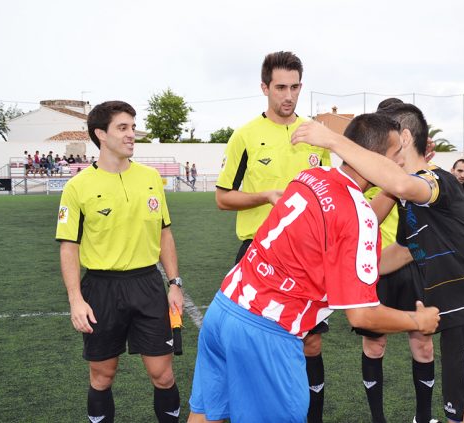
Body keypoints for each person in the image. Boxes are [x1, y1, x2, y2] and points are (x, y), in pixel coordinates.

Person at [188, 113, 440, 423]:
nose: (400, 162)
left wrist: (399, 221)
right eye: (395, 155)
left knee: (205, 415)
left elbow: (352, 235)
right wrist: (418, 319)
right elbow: (362, 314)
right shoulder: (355, 213)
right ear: (371, 157)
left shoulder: (311, 176)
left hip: (224, 308)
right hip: (267, 333)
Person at [292, 102, 464, 423]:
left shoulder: (436, 180)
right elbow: (402, 250)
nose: (378, 152)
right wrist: (342, 274)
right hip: (457, 320)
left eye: (385, 142)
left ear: (403, 138)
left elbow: (403, 184)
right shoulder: (407, 201)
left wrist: (334, 141)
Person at [213, 51, 331, 422]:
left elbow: (327, 192)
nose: (289, 96)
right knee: (251, 346)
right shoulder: (245, 136)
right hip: (258, 255)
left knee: (311, 342)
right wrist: (265, 196)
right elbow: (222, 197)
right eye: (281, 87)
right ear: (264, 87)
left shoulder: (315, 134)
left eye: (295, 87)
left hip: (307, 257)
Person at [56, 101, 184, 423]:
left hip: (148, 285)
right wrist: (75, 299)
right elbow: (69, 247)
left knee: (163, 375)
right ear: (101, 134)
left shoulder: (151, 178)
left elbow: (165, 234)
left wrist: (174, 283)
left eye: (132, 127)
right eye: (123, 128)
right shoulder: (77, 187)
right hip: (101, 288)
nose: (132, 134)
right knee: (102, 376)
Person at [354, 100, 440, 423]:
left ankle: (423, 417)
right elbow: (367, 218)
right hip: (375, 264)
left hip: (412, 261)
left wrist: (416, 168)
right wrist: (395, 177)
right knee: (374, 347)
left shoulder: (411, 167)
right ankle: (378, 419)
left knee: (424, 347)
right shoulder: (366, 162)